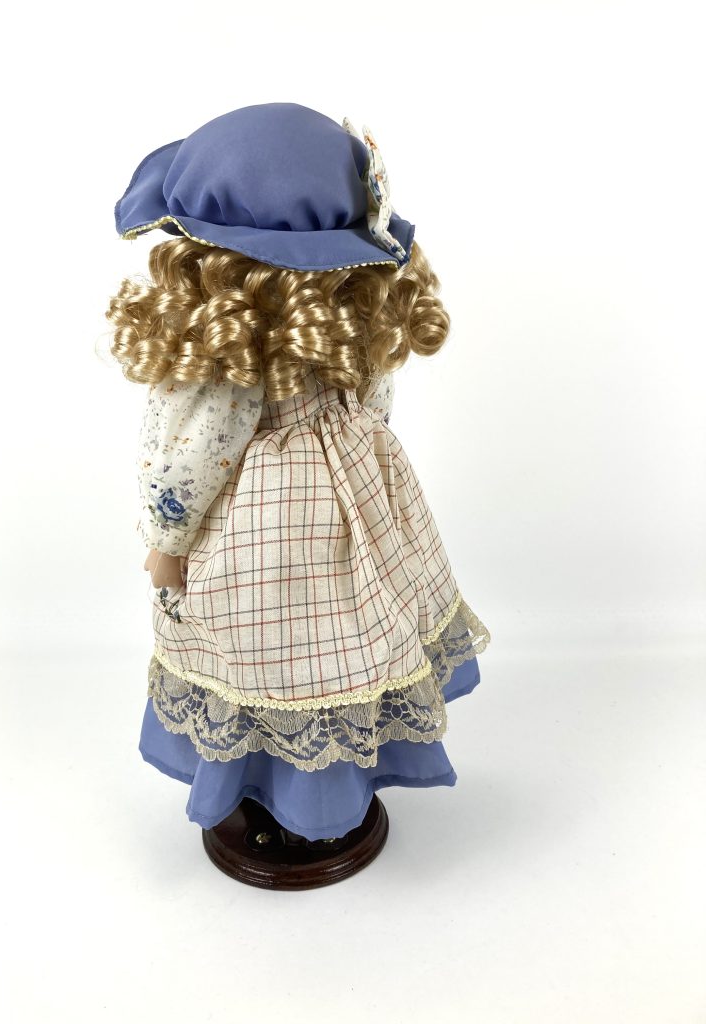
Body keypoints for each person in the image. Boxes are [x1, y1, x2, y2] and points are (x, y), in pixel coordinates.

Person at [106, 101, 491, 846]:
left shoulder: (222, 349)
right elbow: (374, 405)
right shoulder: (347, 316)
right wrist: (363, 470)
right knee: (343, 641)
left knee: (265, 652)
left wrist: (167, 540)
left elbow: (189, 456)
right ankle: (319, 799)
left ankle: (284, 799)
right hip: (350, 504)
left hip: (263, 525)